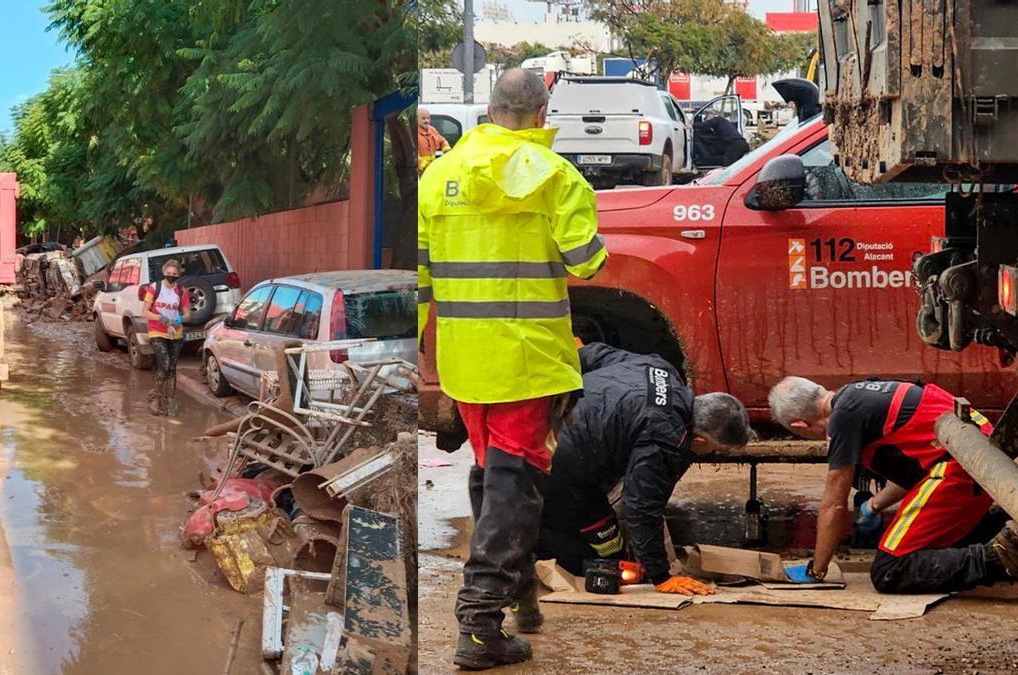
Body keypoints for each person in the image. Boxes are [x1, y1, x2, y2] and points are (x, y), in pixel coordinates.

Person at [418, 68, 608, 670]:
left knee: (494, 475)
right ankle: (478, 624)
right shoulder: (556, 178)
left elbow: (421, 283)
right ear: (540, 113)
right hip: (527, 358)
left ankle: (521, 596)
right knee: (516, 484)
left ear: (491, 108)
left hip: (467, 362)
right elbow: (587, 264)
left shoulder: (437, 177)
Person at [528, 343, 751, 614]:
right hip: (552, 463)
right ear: (701, 439)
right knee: (606, 555)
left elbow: (593, 354)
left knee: (609, 536)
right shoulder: (667, 437)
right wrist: (662, 577)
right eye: (714, 449)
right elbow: (642, 506)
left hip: (533, 420)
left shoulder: (661, 370)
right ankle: (530, 547)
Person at [768, 376, 1018, 593]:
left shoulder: (842, 418)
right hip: (981, 458)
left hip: (960, 465)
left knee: (889, 569)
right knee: (938, 548)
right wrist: (874, 506)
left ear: (798, 424)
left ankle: (1000, 557)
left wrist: (817, 570)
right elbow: (918, 466)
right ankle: (1004, 528)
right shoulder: (861, 392)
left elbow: (834, 504)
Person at [140, 259, 191, 416]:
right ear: (163, 272)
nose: (171, 276)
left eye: (174, 274)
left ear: (179, 275)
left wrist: (181, 319)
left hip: (175, 333)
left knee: (172, 367)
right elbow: (144, 311)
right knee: (164, 363)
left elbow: (188, 314)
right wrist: (159, 318)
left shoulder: (182, 291)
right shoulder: (154, 288)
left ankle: (171, 400)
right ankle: (155, 398)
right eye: (168, 274)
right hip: (157, 331)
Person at [417, 106, 451, 175]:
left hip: (431, 171)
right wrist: (425, 166)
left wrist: (448, 152)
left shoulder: (432, 130)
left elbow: (442, 141)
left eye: (428, 118)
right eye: (423, 118)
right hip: (420, 172)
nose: (426, 121)